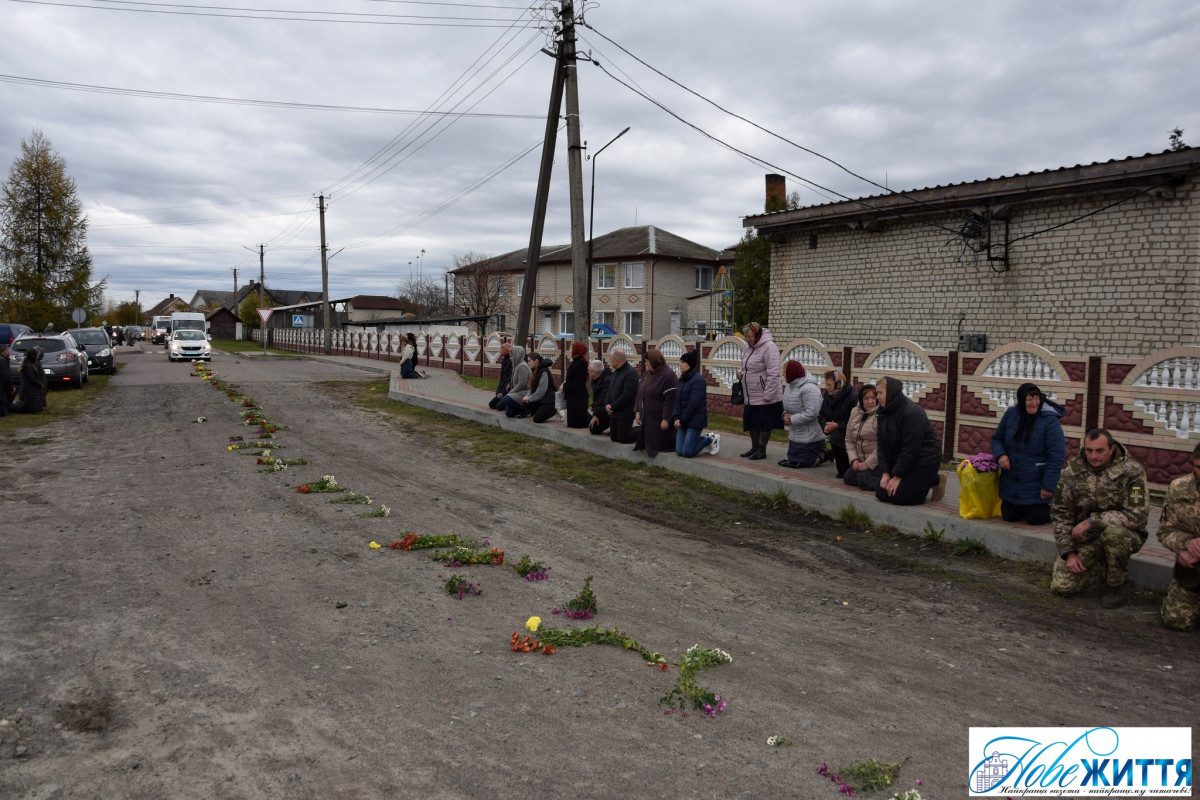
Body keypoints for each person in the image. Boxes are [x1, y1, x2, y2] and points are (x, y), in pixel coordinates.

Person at [1050, 428, 1149, 609]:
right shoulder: (1072, 472)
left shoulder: (1132, 472)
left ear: (1111, 449)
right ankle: (1099, 570)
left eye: (1099, 450)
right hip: (1086, 540)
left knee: (1114, 534)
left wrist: (1092, 521)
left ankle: (1116, 587)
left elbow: (1137, 516)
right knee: (1061, 586)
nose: (1093, 456)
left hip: (1123, 536)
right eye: (1089, 450)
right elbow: (1060, 514)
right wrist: (1069, 553)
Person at [990, 382, 1066, 525]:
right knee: (1009, 516)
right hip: (1011, 481)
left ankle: (1055, 506)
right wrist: (1001, 455)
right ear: (1021, 400)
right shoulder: (1011, 414)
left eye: (1036, 398)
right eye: (1029, 399)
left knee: (1035, 519)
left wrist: (1047, 487)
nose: (1034, 403)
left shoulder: (1050, 421)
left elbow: (1056, 456)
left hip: (1036, 484)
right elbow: (997, 439)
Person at [874, 376, 945, 506]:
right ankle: (925, 479)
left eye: (880, 393)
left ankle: (934, 479)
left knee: (900, 497)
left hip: (924, 459)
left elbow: (911, 448)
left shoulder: (911, 413)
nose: (877, 397)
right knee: (882, 493)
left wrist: (897, 476)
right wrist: (885, 473)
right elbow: (881, 444)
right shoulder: (883, 412)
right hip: (903, 458)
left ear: (891, 393)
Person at [1158, 443, 1200, 630]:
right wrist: (1186, 545)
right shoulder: (1179, 488)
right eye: (1199, 467)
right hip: (1192, 570)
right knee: (1175, 620)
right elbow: (1165, 531)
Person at [736, 322, 783, 461]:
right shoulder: (747, 347)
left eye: (750, 336)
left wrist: (768, 394)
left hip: (764, 393)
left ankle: (762, 449)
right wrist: (740, 373)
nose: (748, 339)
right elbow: (744, 365)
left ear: (757, 334)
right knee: (751, 421)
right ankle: (754, 447)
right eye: (746, 337)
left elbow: (773, 373)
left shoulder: (770, 347)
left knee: (764, 423)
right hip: (751, 392)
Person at [673, 349, 718, 458]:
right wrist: (675, 417)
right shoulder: (682, 379)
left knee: (687, 453)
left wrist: (682, 420)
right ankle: (698, 439)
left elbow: (694, 404)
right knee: (679, 451)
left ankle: (711, 439)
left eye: (683, 362)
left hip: (695, 421)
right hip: (682, 420)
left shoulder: (698, 380)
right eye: (680, 362)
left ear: (690, 364)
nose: (680, 364)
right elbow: (676, 401)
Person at [633, 348, 678, 457]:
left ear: (655, 361)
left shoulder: (668, 375)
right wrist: (638, 411)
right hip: (649, 418)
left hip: (659, 418)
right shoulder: (647, 374)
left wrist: (666, 419)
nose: (646, 364)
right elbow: (640, 393)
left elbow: (670, 400)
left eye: (648, 362)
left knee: (659, 444)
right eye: (646, 361)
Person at [779, 360, 823, 468]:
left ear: (791, 372)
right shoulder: (790, 386)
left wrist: (792, 419)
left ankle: (825, 454)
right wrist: (785, 416)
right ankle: (823, 451)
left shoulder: (809, 388)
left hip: (810, 434)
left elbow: (813, 412)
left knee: (806, 462)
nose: (783, 374)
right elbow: (788, 406)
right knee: (793, 459)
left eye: (785, 372)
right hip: (796, 432)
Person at [843, 384, 882, 493]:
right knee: (848, 476)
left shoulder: (881, 415)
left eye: (873, 398)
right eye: (866, 398)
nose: (870, 402)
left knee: (866, 480)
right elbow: (849, 440)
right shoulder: (855, 412)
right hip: (860, 461)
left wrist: (867, 464)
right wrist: (854, 460)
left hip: (876, 462)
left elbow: (882, 446)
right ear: (861, 399)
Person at [818, 370, 858, 477]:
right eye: (826, 384)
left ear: (838, 385)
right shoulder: (828, 395)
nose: (826, 387)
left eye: (829, 385)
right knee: (835, 436)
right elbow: (821, 414)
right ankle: (843, 469)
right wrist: (825, 426)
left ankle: (846, 469)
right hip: (836, 429)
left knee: (836, 437)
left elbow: (855, 421)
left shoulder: (853, 396)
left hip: (851, 432)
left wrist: (838, 425)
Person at [605, 349, 638, 444]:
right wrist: (607, 404)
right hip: (614, 411)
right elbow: (609, 391)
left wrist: (613, 406)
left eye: (610, 359)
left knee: (624, 438)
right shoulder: (615, 373)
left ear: (616, 360)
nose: (609, 361)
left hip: (624, 412)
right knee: (614, 437)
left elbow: (627, 394)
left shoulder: (630, 373)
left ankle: (643, 431)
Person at [496, 345, 532, 418]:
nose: (510, 358)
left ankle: (526, 409)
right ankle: (521, 410)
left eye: (511, 356)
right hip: (517, 391)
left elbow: (522, 384)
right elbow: (513, 379)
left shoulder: (522, 366)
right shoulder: (516, 365)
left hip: (523, 392)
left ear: (516, 355)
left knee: (504, 400)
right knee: (509, 413)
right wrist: (510, 385)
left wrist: (511, 392)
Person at [562, 342, 590, 428]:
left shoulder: (581, 363)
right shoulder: (576, 361)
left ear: (576, 350)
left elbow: (578, 384)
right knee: (571, 424)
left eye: (572, 349)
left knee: (577, 424)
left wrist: (565, 387)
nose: (570, 351)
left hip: (578, 398)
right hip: (573, 397)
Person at [525, 352, 559, 423]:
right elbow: (531, 386)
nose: (528, 363)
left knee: (537, 419)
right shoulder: (534, 369)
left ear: (536, 361)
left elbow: (541, 391)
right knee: (525, 403)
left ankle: (555, 409)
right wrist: (528, 395)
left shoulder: (544, 371)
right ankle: (540, 410)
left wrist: (530, 398)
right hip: (542, 399)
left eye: (530, 361)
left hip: (549, 400)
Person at [14, 347, 46, 414]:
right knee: (29, 408)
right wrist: (39, 384)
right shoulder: (27, 366)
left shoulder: (30, 365)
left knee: (36, 408)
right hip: (28, 391)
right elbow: (32, 379)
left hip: (31, 391)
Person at [587, 359, 612, 436]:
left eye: (589, 370)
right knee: (593, 429)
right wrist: (595, 415)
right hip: (600, 409)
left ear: (594, 373)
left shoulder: (607, 380)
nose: (588, 372)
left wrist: (596, 411)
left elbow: (604, 399)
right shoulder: (594, 380)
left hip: (610, 409)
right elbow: (596, 398)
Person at [489, 342, 513, 410]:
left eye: (501, 349)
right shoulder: (504, 360)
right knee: (492, 404)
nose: (500, 351)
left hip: (507, 391)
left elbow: (509, 379)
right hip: (501, 390)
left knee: (498, 407)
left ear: (506, 350)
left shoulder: (510, 361)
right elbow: (502, 378)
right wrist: (498, 392)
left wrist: (503, 393)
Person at [0, 343, 14, 416]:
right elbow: (6, 377)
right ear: (5, 352)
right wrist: (11, 388)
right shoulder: (3, 361)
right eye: (8, 352)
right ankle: (5, 410)